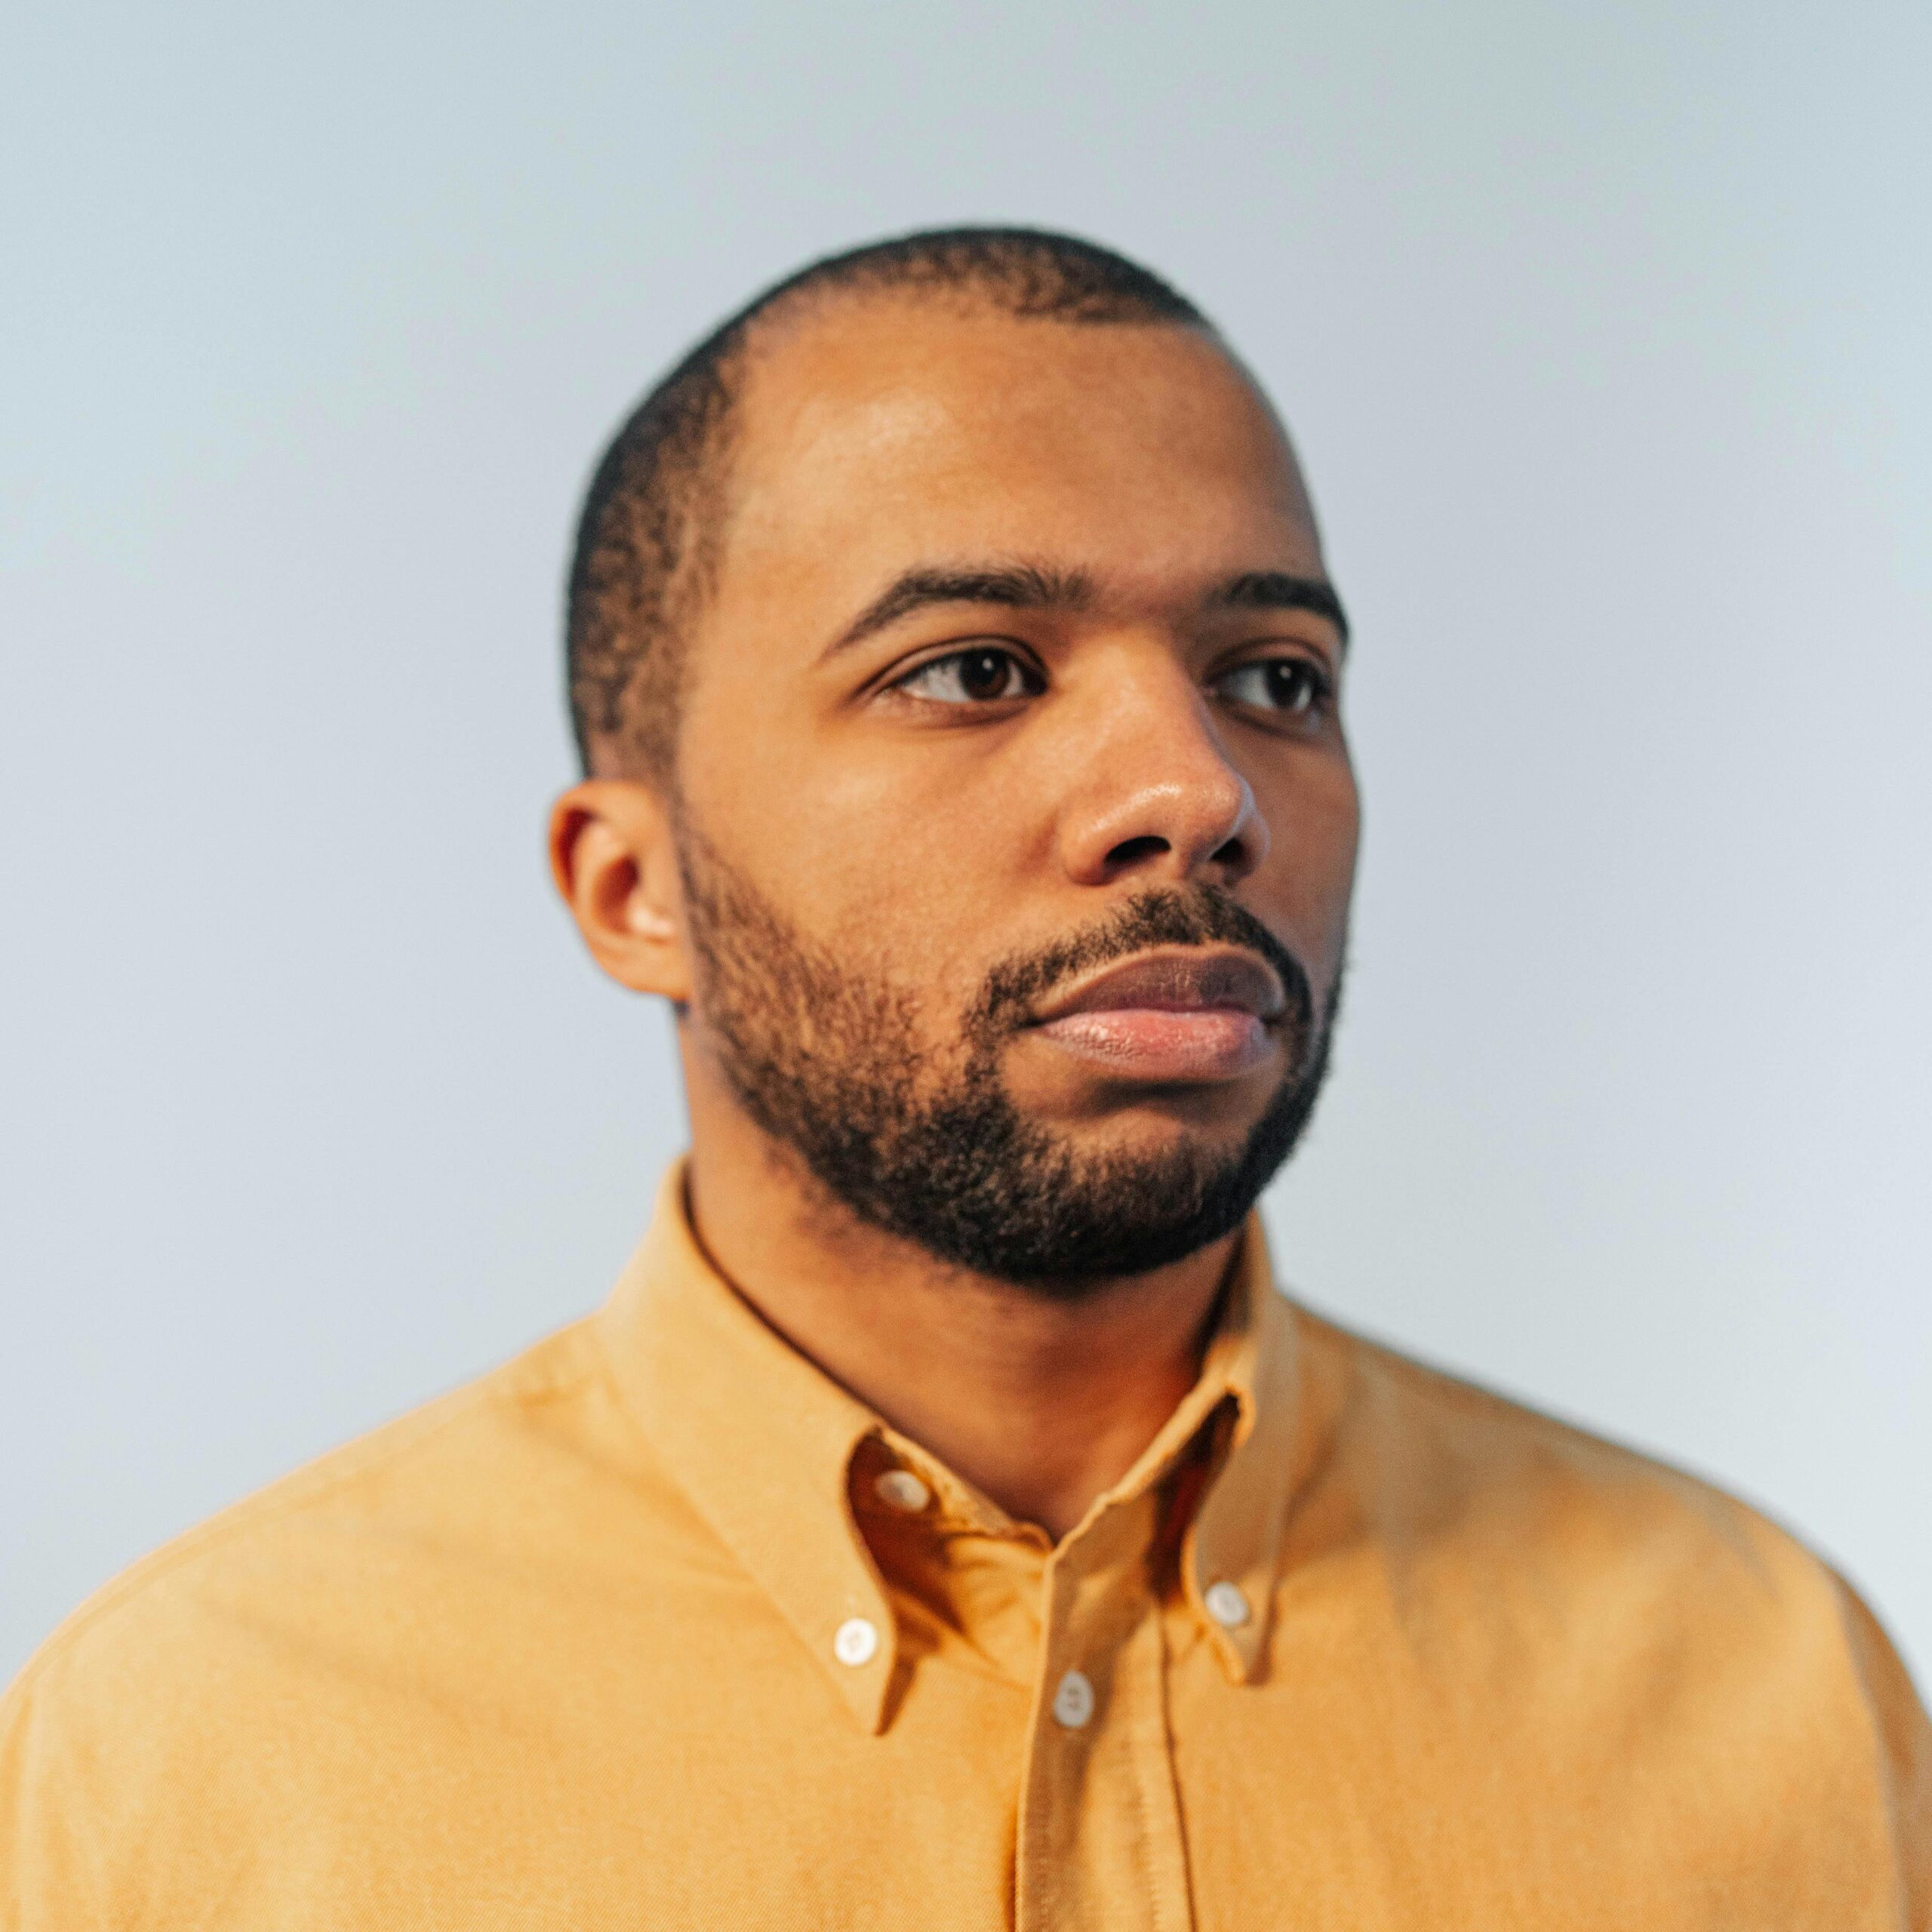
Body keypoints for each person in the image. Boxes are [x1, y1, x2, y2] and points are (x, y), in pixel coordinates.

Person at [4, 227, 1924, 1928]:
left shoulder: (1774, 1694)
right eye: (977, 670)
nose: (1199, 793)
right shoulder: (192, 1765)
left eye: (1270, 675)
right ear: (632, 885)